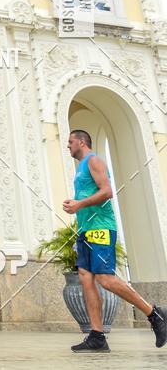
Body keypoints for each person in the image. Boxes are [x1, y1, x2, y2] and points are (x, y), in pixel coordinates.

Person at [64, 129, 166, 353]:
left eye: (71, 141)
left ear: (82, 141)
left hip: (101, 227)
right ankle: (97, 336)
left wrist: (79, 205)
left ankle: (154, 313)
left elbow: (108, 191)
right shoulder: (81, 167)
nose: (68, 145)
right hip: (85, 229)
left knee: (105, 279)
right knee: (86, 278)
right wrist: (76, 204)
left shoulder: (94, 160)